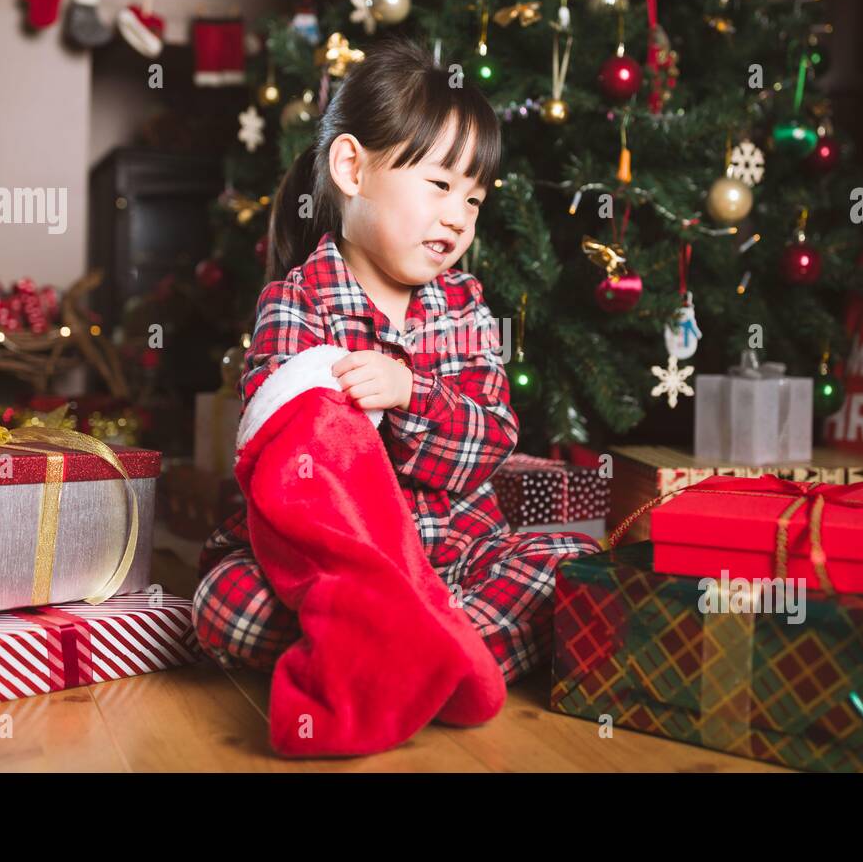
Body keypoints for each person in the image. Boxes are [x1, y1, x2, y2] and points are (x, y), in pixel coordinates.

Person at [193, 36, 602, 686]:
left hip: (456, 552)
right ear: (352, 169)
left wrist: (413, 395)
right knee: (227, 606)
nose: (458, 217)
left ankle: (399, 652)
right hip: (337, 564)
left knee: (568, 562)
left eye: (473, 199)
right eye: (439, 184)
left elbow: (491, 439)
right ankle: (421, 652)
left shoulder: (463, 306)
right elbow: (284, 464)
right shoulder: (297, 302)